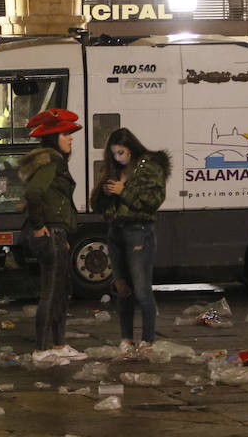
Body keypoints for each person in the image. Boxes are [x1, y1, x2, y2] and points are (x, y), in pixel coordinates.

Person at [90, 127, 170, 359]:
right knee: (122, 289)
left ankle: (148, 341)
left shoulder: (149, 167)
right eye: (114, 153)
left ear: (131, 148)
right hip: (115, 232)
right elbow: (98, 205)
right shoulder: (113, 170)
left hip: (138, 231)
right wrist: (104, 192)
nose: (118, 157)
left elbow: (153, 200)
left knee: (142, 290)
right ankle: (126, 339)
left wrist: (125, 191)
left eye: (122, 152)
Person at [18, 108, 88, 366]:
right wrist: (39, 226)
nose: (70, 138)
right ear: (52, 138)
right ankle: (41, 349)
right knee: (51, 292)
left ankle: (58, 345)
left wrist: (61, 233)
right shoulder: (52, 160)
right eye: (65, 134)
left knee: (60, 292)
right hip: (49, 234)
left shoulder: (51, 160)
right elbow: (35, 194)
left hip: (57, 233)